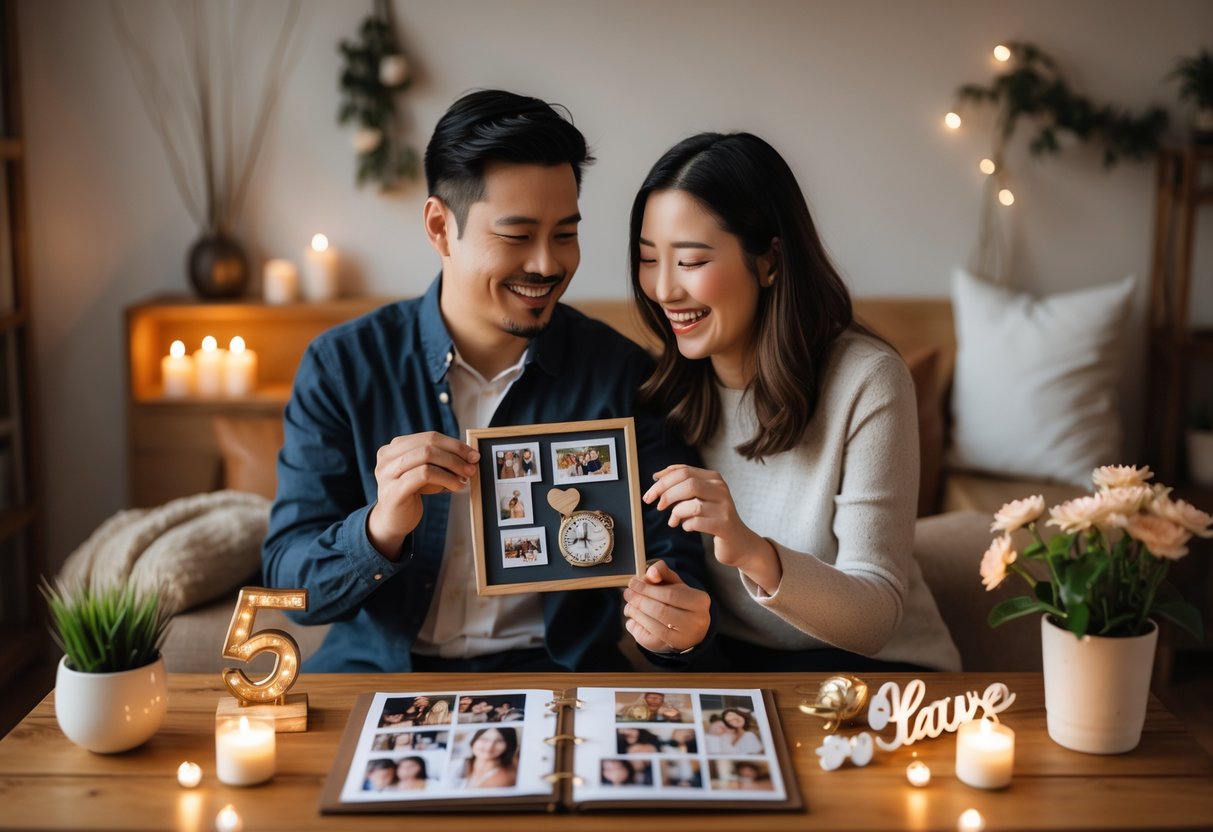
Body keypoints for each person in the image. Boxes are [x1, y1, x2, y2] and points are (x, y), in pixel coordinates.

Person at [262, 89, 714, 673]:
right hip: (378, 683)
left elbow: (679, 564)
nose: (549, 264)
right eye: (518, 235)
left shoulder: (622, 374)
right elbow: (288, 590)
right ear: (439, 227)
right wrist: (380, 529)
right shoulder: (342, 367)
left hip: (557, 684)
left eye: (565, 233)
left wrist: (676, 625)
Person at [632, 132, 960, 673]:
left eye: (689, 261)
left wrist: (751, 549)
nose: (664, 289)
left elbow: (878, 616)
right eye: (648, 259)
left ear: (769, 261)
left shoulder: (866, 380)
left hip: (880, 674)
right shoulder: (659, 388)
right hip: (740, 674)